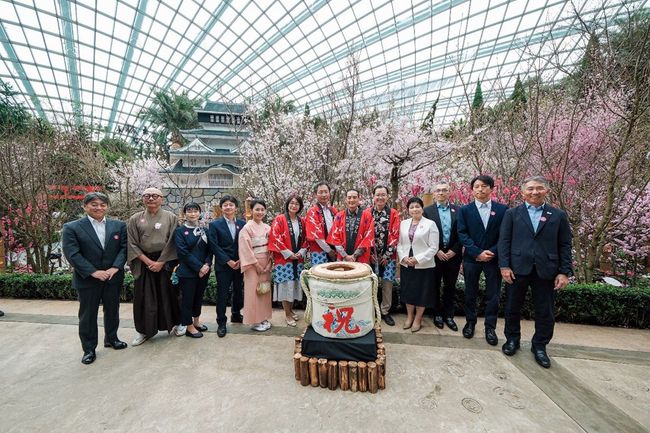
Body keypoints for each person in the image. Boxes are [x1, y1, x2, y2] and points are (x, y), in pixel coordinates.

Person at [498, 176, 572, 368]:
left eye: (539, 188)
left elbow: (565, 244)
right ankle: (512, 339)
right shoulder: (512, 214)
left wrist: (564, 272)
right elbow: (504, 241)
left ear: (546, 191)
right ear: (523, 192)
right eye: (530, 189)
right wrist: (504, 266)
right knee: (512, 307)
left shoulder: (557, 215)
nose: (534, 192)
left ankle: (539, 345)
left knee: (545, 310)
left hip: (546, 270)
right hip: (517, 268)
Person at [61, 192, 128, 365]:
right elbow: (72, 254)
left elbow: (124, 248)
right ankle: (89, 349)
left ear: (107, 206)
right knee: (88, 315)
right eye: (94, 204)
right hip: (88, 279)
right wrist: (93, 272)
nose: (99, 207)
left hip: (113, 277)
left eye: (102, 204)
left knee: (112, 310)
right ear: (85, 206)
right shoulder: (72, 227)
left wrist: (115, 267)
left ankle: (112, 339)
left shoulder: (119, 225)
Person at [457, 175, 508, 346]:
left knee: (493, 294)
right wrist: (477, 252)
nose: (480, 189)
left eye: (484, 186)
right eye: (477, 186)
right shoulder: (465, 210)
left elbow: (504, 235)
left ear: (491, 189)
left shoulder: (503, 210)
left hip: (493, 259)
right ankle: (470, 322)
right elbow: (462, 234)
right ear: (472, 190)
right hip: (472, 258)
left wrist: (492, 252)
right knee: (470, 292)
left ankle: (490, 327)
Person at [127, 187, 180, 346]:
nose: (151, 198)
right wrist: (148, 261)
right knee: (144, 297)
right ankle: (144, 331)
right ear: (142, 199)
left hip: (165, 261)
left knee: (169, 294)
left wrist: (161, 261)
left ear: (161, 199)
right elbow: (132, 243)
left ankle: (175, 323)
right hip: (144, 262)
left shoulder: (171, 217)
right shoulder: (135, 218)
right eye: (147, 196)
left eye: (155, 196)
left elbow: (173, 242)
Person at [397, 197, 439, 333]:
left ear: (422, 208)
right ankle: (409, 317)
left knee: (422, 292)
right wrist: (404, 258)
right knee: (409, 291)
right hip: (407, 263)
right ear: (408, 210)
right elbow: (400, 244)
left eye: (417, 206)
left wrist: (418, 259)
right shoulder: (403, 223)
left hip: (423, 265)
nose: (414, 209)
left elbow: (434, 247)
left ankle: (418, 318)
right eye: (411, 207)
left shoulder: (430, 224)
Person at [423, 182, 462, 332]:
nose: (441, 193)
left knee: (450, 286)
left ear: (449, 192)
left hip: (453, 255)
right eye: (438, 190)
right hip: (435, 255)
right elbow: (424, 234)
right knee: (435, 285)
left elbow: (462, 232)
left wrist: (455, 250)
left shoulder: (458, 210)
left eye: (444, 190)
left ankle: (449, 315)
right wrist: (436, 250)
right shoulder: (428, 211)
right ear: (433, 193)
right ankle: (437, 314)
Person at [208, 195, 246, 338]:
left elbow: (245, 244)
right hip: (224, 265)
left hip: (239, 264)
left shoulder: (242, 224)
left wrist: (241, 260)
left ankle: (236, 314)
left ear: (236, 208)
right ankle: (221, 322)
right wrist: (228, 261)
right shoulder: (214, 225)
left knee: (238, 290)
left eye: (231, 204)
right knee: (222, 294)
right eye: (225, 205)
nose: (228, 207)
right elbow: (214, 246)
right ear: (221, 207)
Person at [363, 185, 400, 326]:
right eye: (377, 194)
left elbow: (395, 234)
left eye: (383, 194)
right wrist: (370, 253)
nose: (380, 197)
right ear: (373, 196)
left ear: (387, 196)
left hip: (388, 257)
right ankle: (370, 309)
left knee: (387, 284)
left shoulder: (393, 213)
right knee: (370, 283)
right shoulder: (366, 213)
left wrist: (386, 255)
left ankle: (385, 311)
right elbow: (364, 234)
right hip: (369, 255)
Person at [174, 202, 212, 338]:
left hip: (203, 271)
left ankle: (196, 321)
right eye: (189, 211)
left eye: (195, 211)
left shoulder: (205, 230)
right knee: (187, 299)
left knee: (198, 297)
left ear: (199, 213)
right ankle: (188, 326)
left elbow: (210, 250)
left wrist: (207, 264)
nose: (192, 213)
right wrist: (199, 267)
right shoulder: (179, 231)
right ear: (184, 214)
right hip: (187, 272)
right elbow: (183, 253)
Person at [269, 195, 308, 327]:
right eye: (291, 203)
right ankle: (287, 314)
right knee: (286, 287)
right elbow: (275, 237)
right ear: (287, 204)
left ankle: (290, 310)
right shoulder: (279, 219)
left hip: (298, 259)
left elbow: (307, 239)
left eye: (297, 204)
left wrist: (301, 252)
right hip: (284, 260)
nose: (294, 206)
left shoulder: (302, 221)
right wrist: (288, 253)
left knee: (294, 286)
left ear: (300, 206)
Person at [239, 199, 273, 332]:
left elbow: (271, 246)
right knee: (253, 291)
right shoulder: (246, 228)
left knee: (264, 291)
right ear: (251, 211)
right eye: (257, 209)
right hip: (252, 263)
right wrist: (257, 265)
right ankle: (254, 320)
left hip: (266, 260)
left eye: (262, 210)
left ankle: (263, 317)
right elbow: (245, 249)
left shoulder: (267, 228)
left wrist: (270, 262)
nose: (260, 212)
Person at [327, 188, 374, 263]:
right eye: (349, 197)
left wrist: (354, 256)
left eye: (354, 197)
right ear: (346, 200)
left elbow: (368, 237)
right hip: (343, 258)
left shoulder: (367, 216)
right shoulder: (339, 216)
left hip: (361, 257)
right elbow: (335, 237)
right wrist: (345, 256)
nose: (352, 200)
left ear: (359, 199)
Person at [305, 182, 338, 265]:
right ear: (315, 195)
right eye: (320, 192)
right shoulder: (312, 212)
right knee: (321, 276)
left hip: (335, 249)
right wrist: (329, 250)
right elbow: (316, 236)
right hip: (319, 250)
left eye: (326, 192)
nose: (324, 195)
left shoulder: (333, 210)